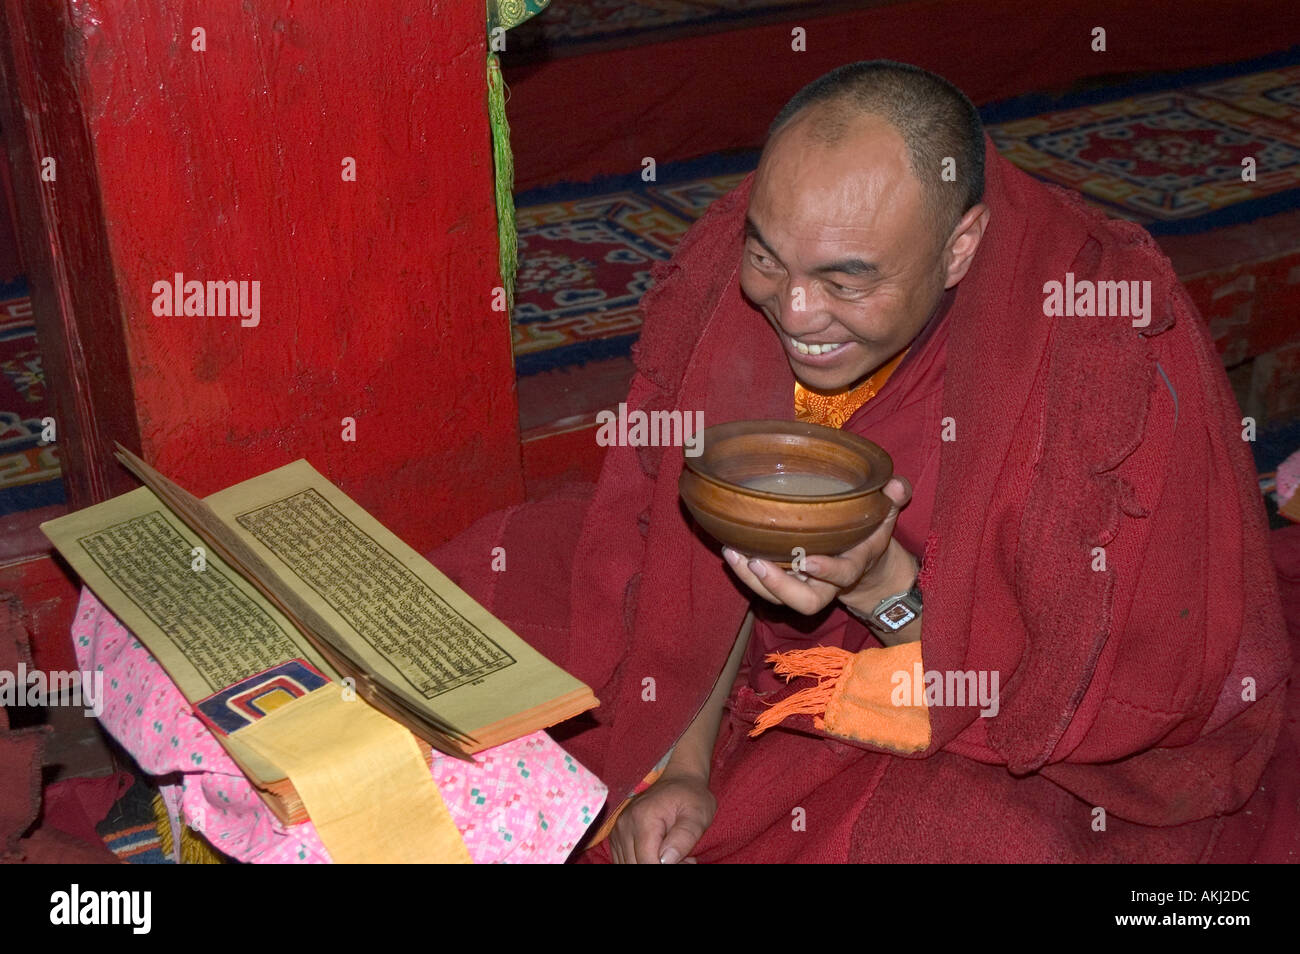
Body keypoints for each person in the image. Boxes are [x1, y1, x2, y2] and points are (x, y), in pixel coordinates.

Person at [434, 61, 1295, 863]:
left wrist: (880, 582)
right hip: (757, 655)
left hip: (967, 698)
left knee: (948, 834)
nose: (795, 311)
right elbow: (681, 561)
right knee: (475, 605)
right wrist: (680, 766)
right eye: (769, 258)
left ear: (960, 248)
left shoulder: (1095, 346)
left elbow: (1088, 686)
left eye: (847, 283)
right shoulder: (744, 259)